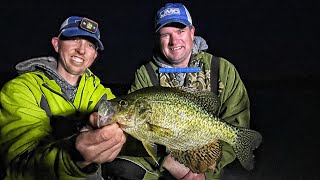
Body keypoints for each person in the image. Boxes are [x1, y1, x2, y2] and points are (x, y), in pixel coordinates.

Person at [104, 3, 251, 180]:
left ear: (192, 32)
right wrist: (170, 164)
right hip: (163, 168)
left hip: (209, 166)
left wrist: (208, 173)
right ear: (158, 38)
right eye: (166, 34)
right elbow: (139, 137)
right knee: (118, 167)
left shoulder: (222, 69)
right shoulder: (145, 74)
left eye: (180, 31)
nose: (174, 41)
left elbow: (237, 120)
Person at [0, 16, 126, 179]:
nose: (81, 50)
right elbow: (17, 165)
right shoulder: (20, 89)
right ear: (56, 44)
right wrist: (73, 157)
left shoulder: (101, 93)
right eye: (74, 39)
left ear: (94, 55)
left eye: (90, 44)